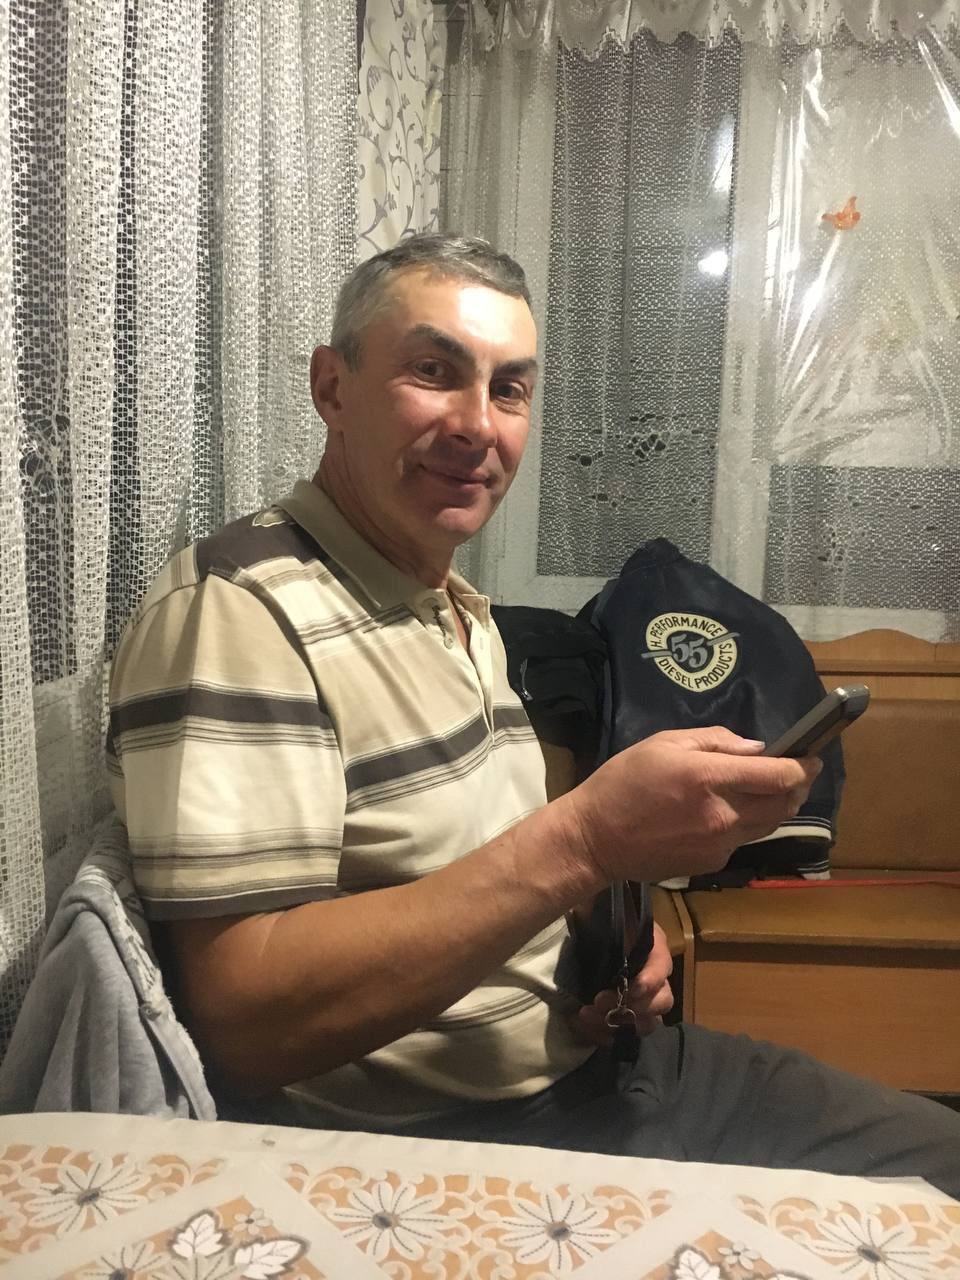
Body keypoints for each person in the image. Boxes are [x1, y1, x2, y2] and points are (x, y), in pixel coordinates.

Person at [108, 232, 960, 1195]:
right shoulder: (240, 612)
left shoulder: (451, 606)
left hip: (607, 1066)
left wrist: (612, 940)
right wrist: (588, 840)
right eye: (435, 373)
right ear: (331, 388)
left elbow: (468, 868)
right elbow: (246, 1022)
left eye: (509, 389)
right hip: (466, 1140)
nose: (479, 425)